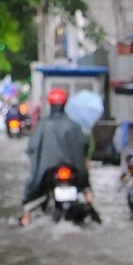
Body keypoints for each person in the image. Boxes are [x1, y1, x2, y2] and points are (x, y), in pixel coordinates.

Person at [19, 86, 90, 226]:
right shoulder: (73, 125)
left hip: (48, 172)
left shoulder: (43, 125)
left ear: (50, 104)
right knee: (86, 192)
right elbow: (84, 147)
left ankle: (26, 215)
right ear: (65, 104)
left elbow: (33, 147)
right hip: (72, 172)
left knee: (32, 190)